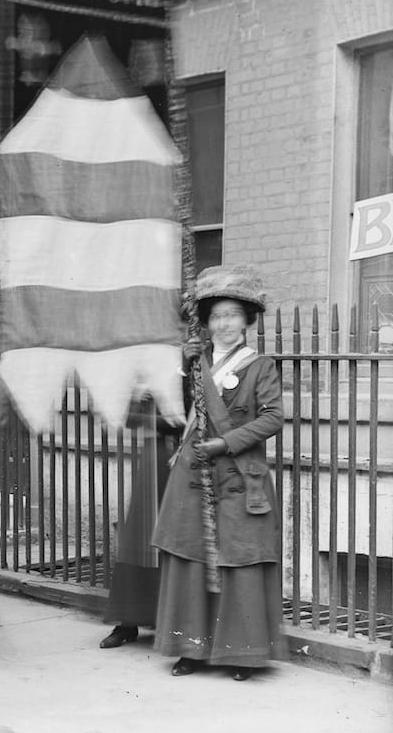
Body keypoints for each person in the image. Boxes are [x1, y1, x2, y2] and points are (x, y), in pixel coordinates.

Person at [152, 264, 286, 681]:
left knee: (239, 563)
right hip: (192, 476)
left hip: (238, 474)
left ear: (247, 321)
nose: (224, 324)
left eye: (232, 315)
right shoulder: (195, 364)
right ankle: (190, 649)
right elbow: (169, 415)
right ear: (206, 323)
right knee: (192, 560)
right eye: (216, 316)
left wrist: (226, 443)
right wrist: (181, 364)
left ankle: (241, 653)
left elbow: (274, 417)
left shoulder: (259, 366)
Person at [98, 399, 179, 649]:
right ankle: (128, 621)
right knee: (140, 538)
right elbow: (131, 418)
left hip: (184, 455)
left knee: (179, 541)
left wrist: (152, 418)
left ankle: (177, 622)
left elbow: (192, 416)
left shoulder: (195, 363)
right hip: (155, 457)